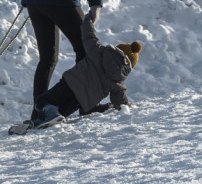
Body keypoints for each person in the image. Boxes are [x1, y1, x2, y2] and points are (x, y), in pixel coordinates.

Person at [10, 9, 142, 134]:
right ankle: (36, 125)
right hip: (79, 101)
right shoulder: (118, 81)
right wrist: (122, 106)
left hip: (69, 84)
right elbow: (121, 103)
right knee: (57, 115)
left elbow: (88, 34)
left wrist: (90, 18)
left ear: (116, 48)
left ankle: (37, 122)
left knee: (42, 101)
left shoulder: (98, 51)